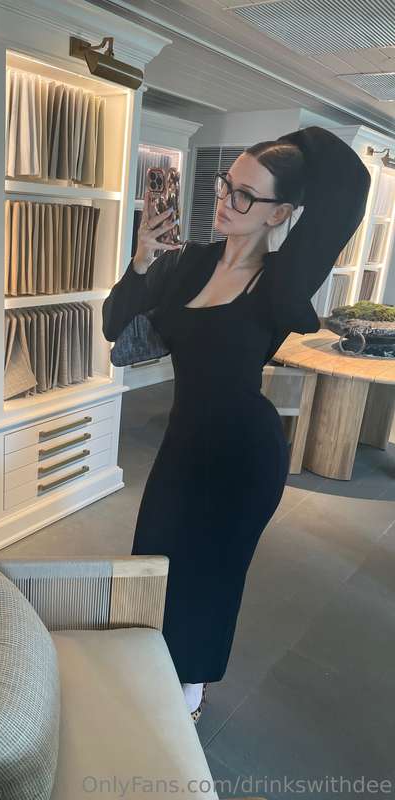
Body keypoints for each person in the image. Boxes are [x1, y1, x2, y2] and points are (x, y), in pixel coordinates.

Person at [102, 126, 371, 724]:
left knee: (212, 575)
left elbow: (350, 183)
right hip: (183, 445)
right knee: (152, 557)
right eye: (228, 186)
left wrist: (293, 142)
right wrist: (141, 260)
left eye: (246, 196)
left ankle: (191, 688)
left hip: (244, 456)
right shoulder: (187, 263)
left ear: (280, 213)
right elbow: (114, 326)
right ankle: (146, 662)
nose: (225, 201)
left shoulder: (281, 281)